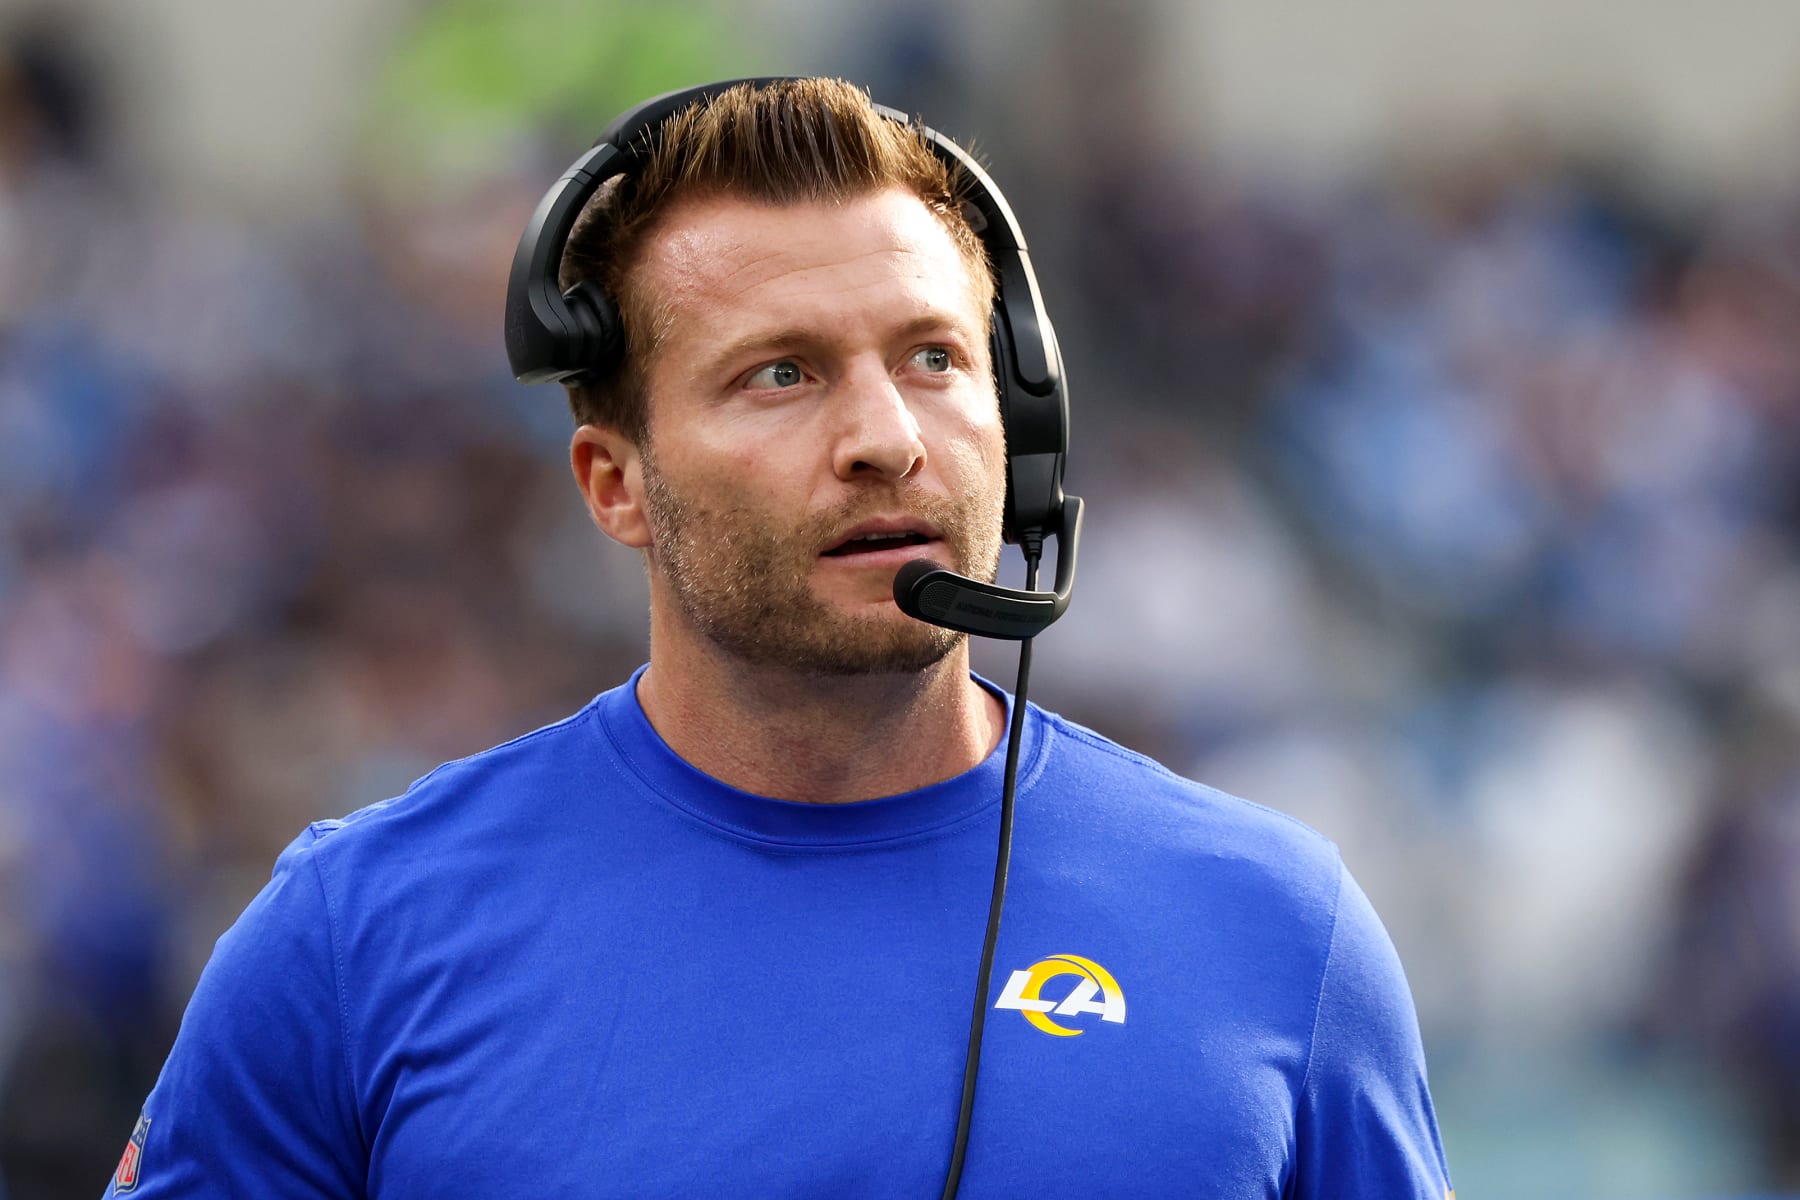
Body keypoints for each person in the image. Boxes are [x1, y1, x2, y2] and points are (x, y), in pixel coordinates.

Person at [107, 78, 1454, 1198]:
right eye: (782, 374)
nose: (885, 437)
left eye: (934, 358)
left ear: (1021, 426)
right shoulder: (352, 941)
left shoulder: (1280, 932)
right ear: (613, 483)